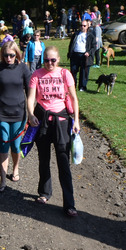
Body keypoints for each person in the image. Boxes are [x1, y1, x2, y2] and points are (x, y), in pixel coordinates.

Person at [26, 45, 80, 217]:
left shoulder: (65, 74)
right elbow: (30, 98)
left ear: (58, 60)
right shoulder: (36, 74)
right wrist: (30, 114)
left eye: (53, 60)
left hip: (62, 122)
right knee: (44, 159)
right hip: (42, 120)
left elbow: (73, 97)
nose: (49, 63)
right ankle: (44, 193)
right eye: (46, 60)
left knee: (63, 162)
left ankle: (69, 204)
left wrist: (77, 120)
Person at [0, 41, 31, 192]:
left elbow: (31, 92)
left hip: (19, 113)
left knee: (16, 146)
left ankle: (15, 169)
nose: (8, 58)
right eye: (5, 55)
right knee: (4, 144)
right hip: (0, 112)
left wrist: (31, 112)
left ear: (17, 54)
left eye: (11, 55)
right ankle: (3, 178)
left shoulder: (23, 68)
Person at [67, 19, 96, 91]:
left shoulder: (91, 35)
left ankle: (82, 86)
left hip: (84, 56)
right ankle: (72, 86)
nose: (82, 27)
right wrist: (70, 53)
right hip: (75, 55)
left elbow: (94, 47)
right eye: (81, 25)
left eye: (84, 26)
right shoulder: (76, 34)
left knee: (84, 72)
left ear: (87, 26)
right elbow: (71, 44)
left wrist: (89, 52)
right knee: (73, 71)